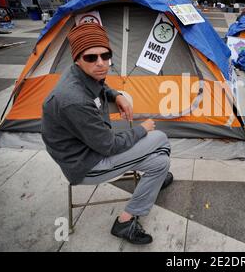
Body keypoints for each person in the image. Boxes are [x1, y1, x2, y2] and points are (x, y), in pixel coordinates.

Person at [42, 23, 173, 245]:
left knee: (160, 163)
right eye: (91, 58)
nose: (101, 63)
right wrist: (142, 129)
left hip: (88, 149)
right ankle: (127, 219)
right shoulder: (72, 100)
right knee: (160, 138)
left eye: (105, 55)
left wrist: (115, 95)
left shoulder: (80, 74)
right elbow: (109, 146)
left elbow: (99, 85)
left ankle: (128, 216)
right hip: (85, 165)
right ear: (77, 59)